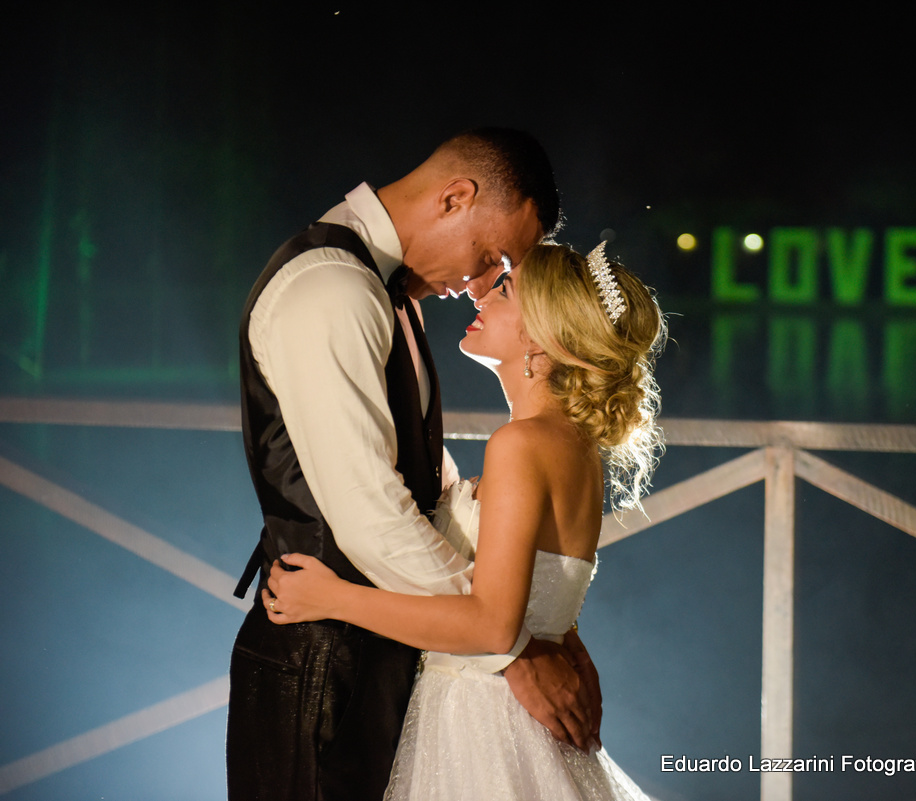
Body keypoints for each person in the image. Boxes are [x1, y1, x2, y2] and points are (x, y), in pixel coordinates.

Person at [228, 129, 601, 801]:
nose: (482, 285)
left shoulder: (387, 293)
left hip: (383, 660)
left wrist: (545, 623)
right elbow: (370, 516)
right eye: (490, 258)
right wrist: (515, 647)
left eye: (501, 276)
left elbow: (410, 471)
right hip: (322, 665)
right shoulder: (332, 289)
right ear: (454, 199)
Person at [265, 242, 665, 800]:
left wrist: (331, 599)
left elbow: (490, 627)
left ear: (542, 338)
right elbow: (545, 587)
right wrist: (563, 637)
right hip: (515, 717)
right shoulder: (573, 447)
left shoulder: (521, 444)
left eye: (505, 290)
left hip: (485, 725)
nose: (482, 295)